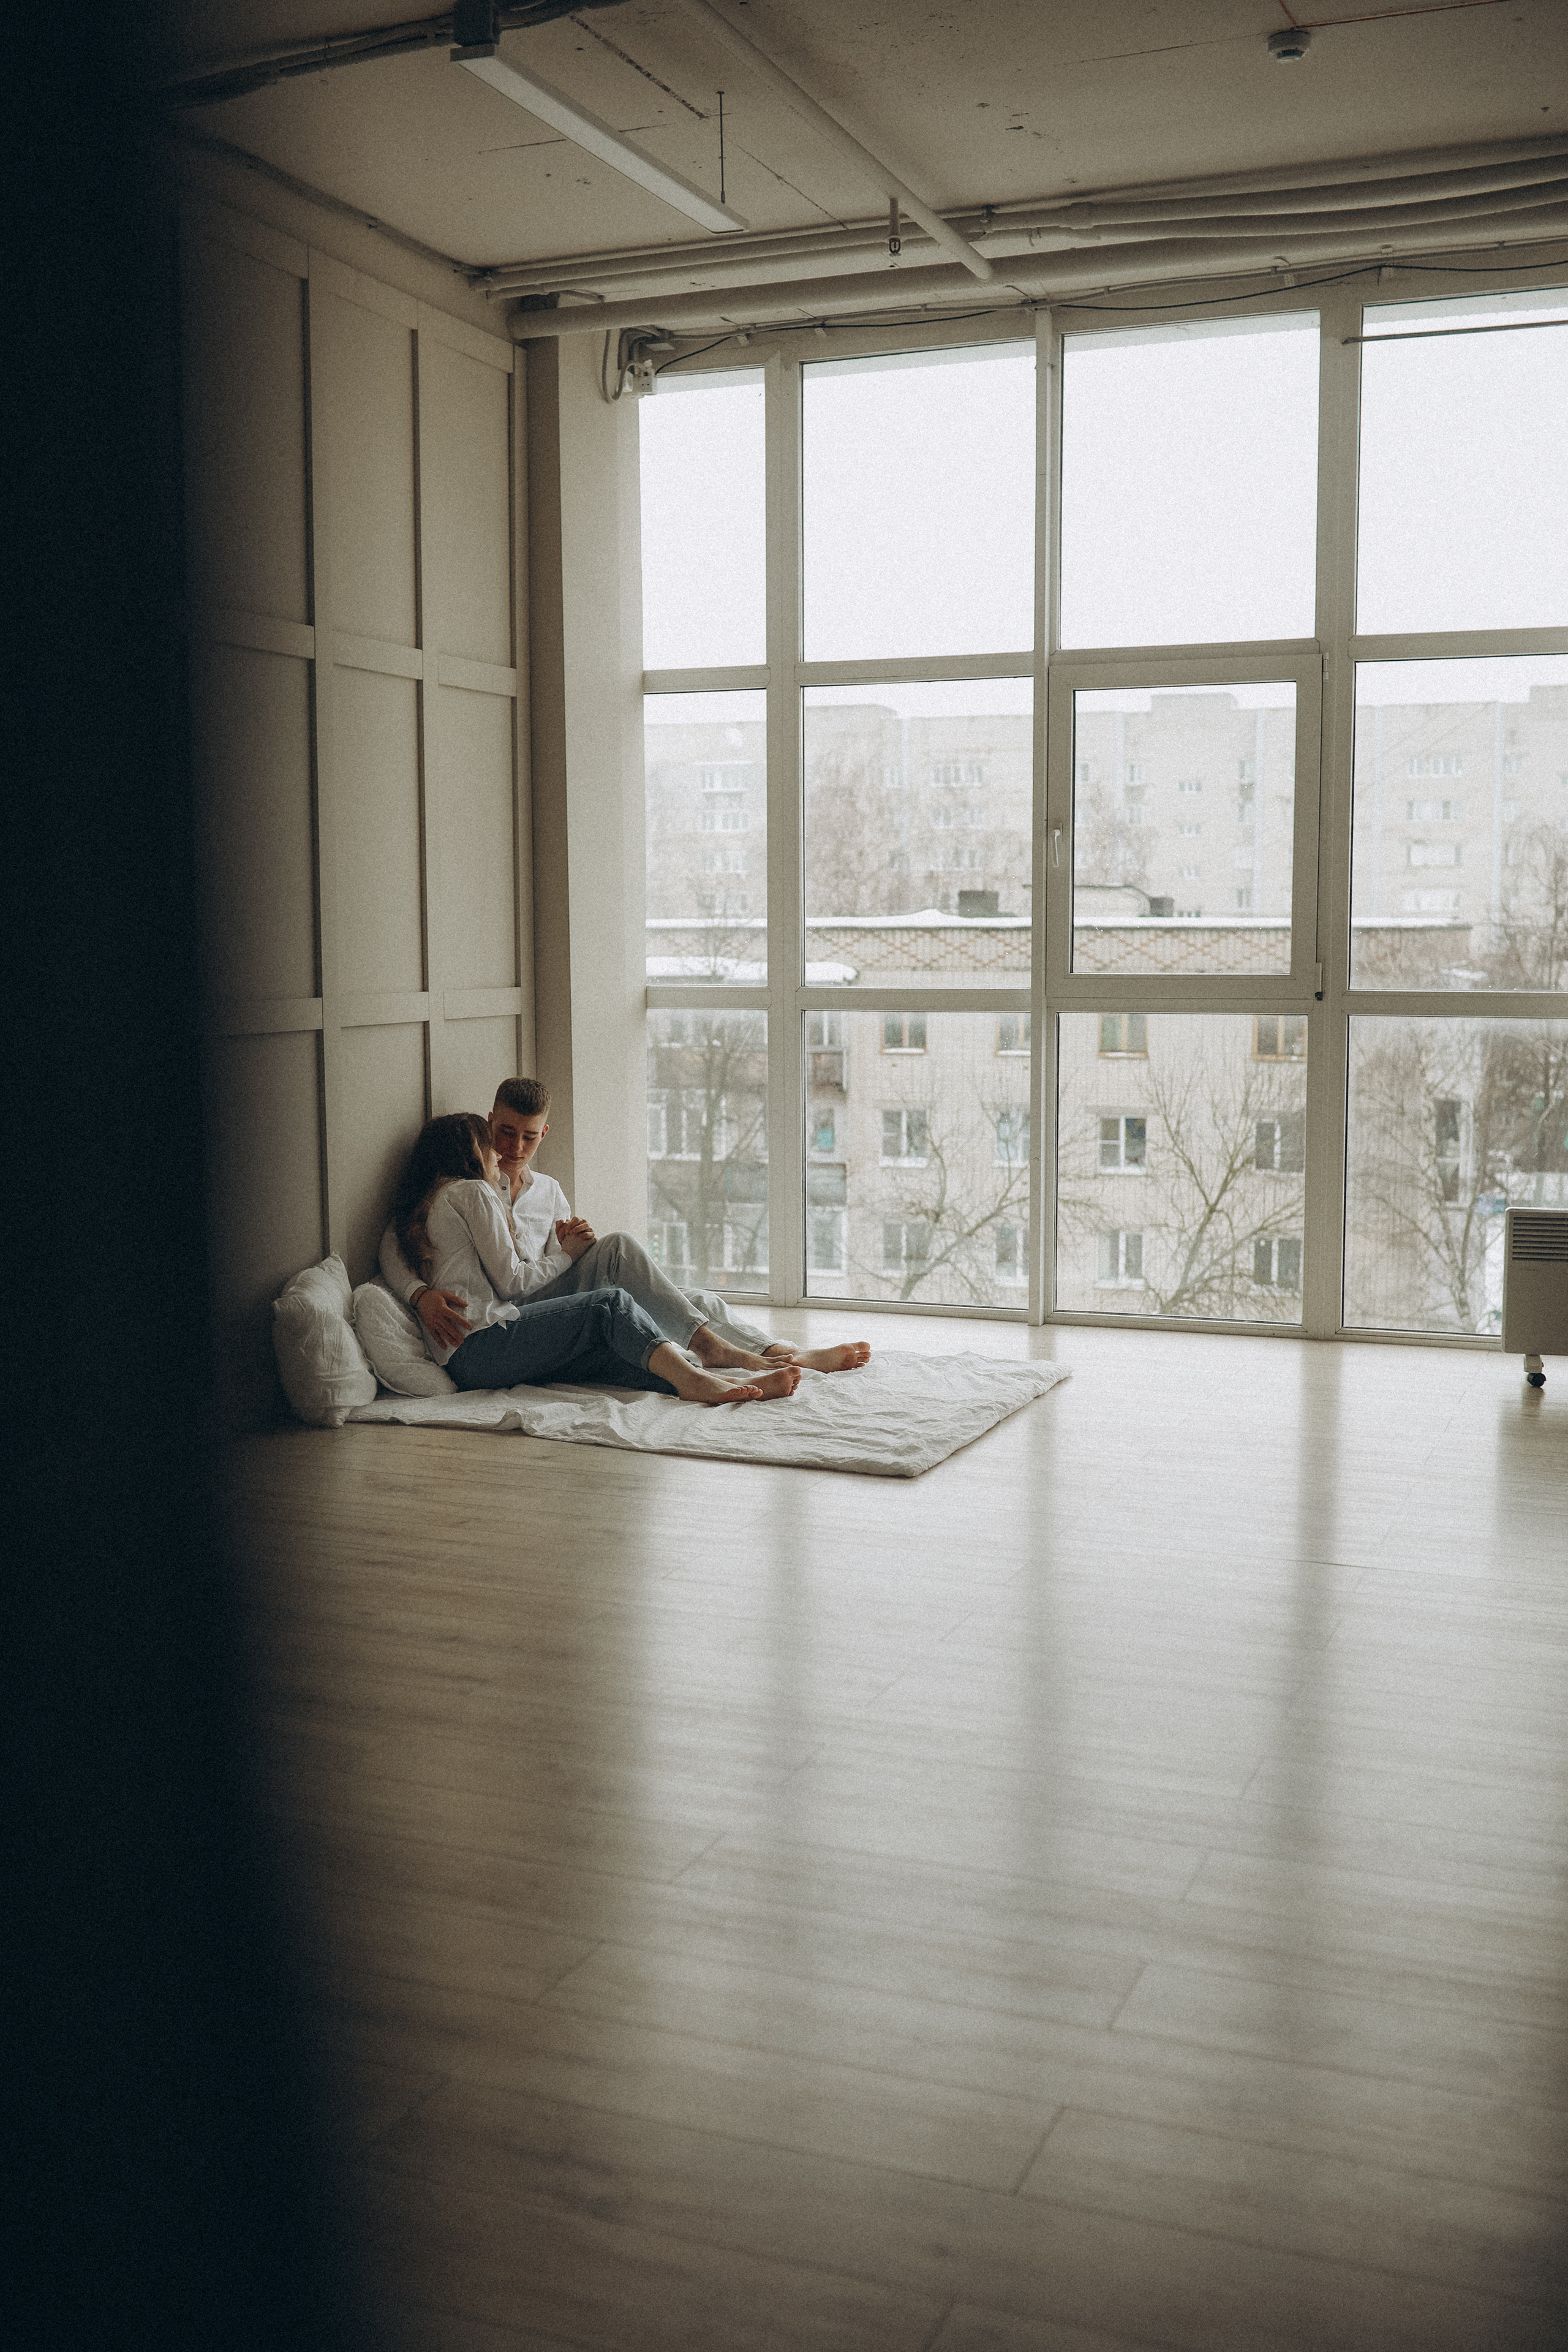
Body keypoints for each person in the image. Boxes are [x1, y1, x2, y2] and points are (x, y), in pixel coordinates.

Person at [379, 1076, 871, 1381]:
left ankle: (783, 1353)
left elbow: (554, 1264)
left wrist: (571, 1248)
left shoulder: (548, 1191)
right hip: (516, 1306)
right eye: (505, 1133)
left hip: (546, 1291)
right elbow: (397, 1240)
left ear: (543, 1134)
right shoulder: (470, 1188)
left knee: (688, 1298)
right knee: (619, 1253)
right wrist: (419, 1292)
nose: (515, 1146)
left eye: (529, 1136)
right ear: (491, 1125)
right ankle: (716, 1350)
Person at [389, 1113, 801, 1406]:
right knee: (611, 1305)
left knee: (610, 1348)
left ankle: (709, 1379)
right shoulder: (471, 1192)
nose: (501, 1155)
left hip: (469, 1359)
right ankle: (699, 1376)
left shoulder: (421, 1205)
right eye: (492, 1145)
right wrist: (569, 1255)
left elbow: (388, 1247)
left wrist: (418, 1292)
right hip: (484, 1343)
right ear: (472, 1151)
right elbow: (510, 1283)